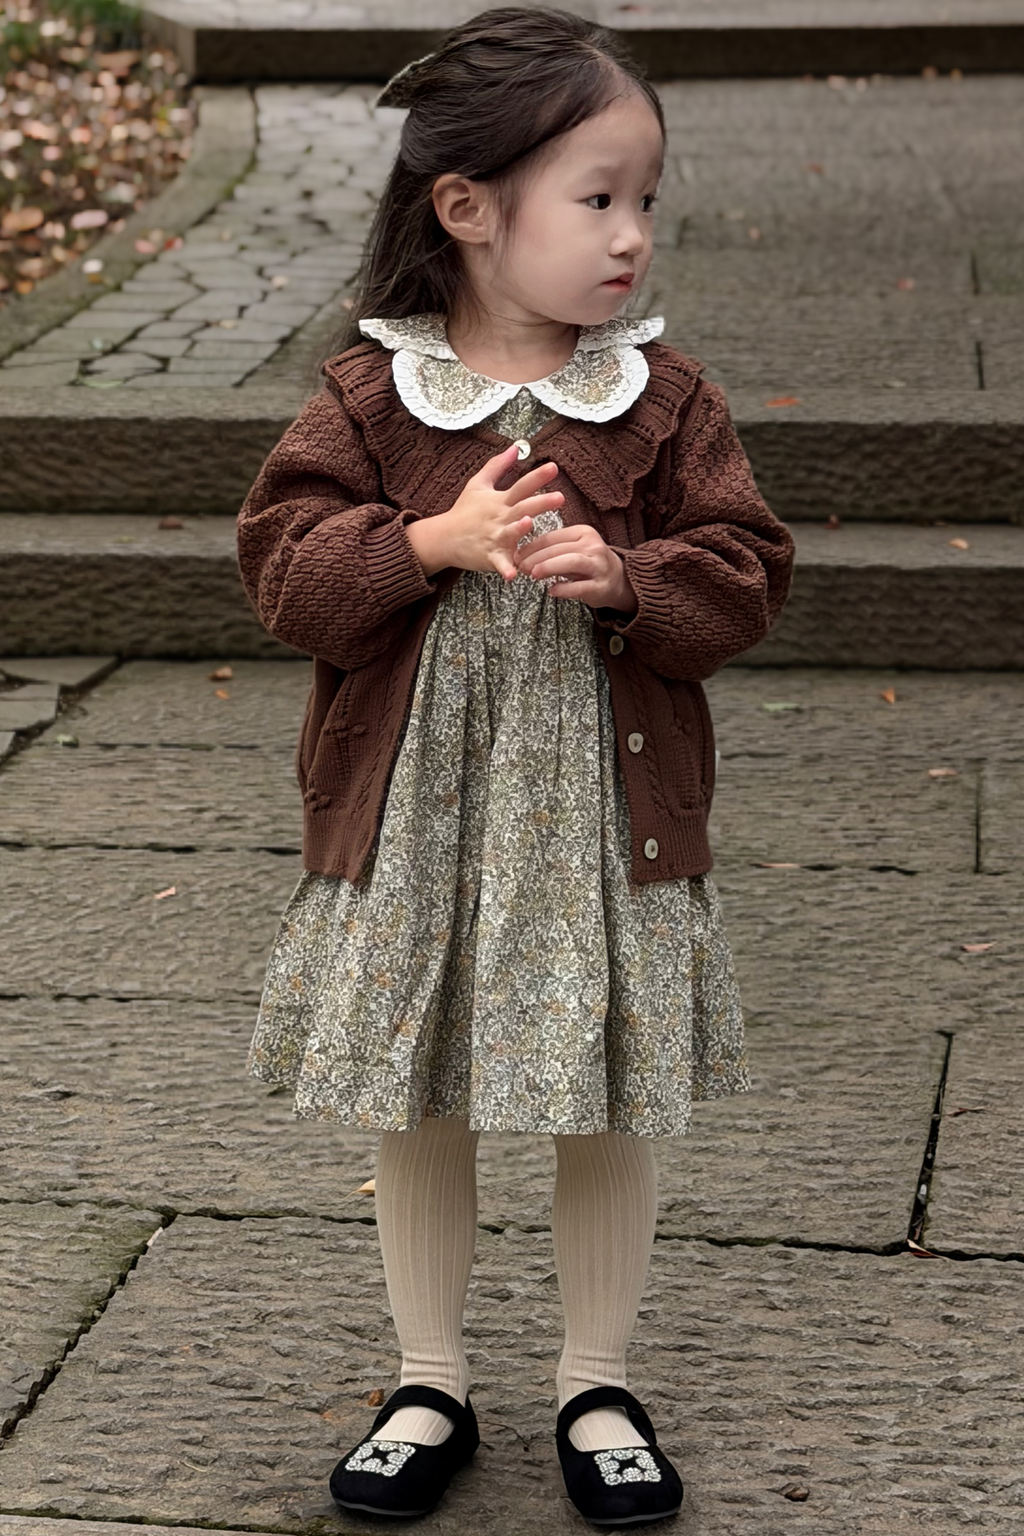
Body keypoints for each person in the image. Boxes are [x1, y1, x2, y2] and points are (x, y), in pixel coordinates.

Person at [237, 5, 794, 1526]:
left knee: (609, 1086)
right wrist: (429, 540)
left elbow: (745, 566)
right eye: (597, 196)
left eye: (645, 200)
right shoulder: (370, 393)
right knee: (422, 1087)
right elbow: (284, 571)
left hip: (600, 822)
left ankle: (596, 1377)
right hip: (422, 822)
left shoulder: (661, 397)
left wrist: (636, 581)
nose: (632, 234)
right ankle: (428, 1378)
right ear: (470, 212)